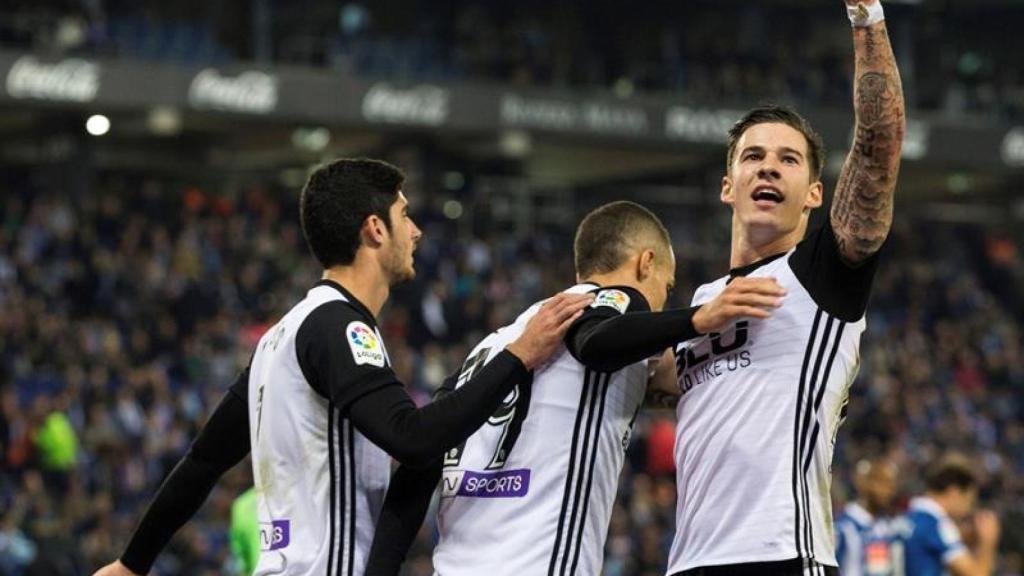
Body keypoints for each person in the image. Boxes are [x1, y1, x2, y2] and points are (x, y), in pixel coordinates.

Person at [91, 158, 593, 576]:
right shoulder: (340, 329)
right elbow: (412, 438)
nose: (415, 231)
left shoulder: (280, 337)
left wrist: (133, 563)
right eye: (404, 215)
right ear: (375, 229)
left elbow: (204, 461)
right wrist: (517, 357)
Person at [365, 201, 786, 575]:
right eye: (667, 286)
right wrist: (696, 318)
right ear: (645, 263)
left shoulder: (495, 344)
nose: (661, 299)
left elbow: (416, 473)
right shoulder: (611, 300)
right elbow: (596, 342)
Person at [665, 1, 906, 574]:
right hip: (688, 562)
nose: (768, 168)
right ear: (729, 186)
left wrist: (867, 18)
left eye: (788, 160)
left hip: (780, 554)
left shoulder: (822, 272)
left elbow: (877, 147)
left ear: (816, 194)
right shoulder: (701, 304)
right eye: (753, 157)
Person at [896, 454, 1000, 576]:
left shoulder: (907, 514)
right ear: (954, 492)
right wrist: (987, 542)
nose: (969, 509)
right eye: (969, 501)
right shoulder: (937, 525)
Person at [834, 458, 900, 576]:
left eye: (892, 486)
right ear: (864, 484)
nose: (889, 491)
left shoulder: (885, 526)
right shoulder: (843, 527)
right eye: (883, 484)